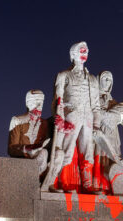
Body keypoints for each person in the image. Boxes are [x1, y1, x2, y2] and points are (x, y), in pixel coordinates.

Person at [41, 42, 102, 193]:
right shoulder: (64, 75)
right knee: (66, 151)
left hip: (88, 118)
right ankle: (61, 182)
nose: (84, 53)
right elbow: (57, 100)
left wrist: (96, 123)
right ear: (73, 54)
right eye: (81, 50)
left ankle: (87, 185)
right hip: (71, 117)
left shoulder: (93, 79)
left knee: (88, 151)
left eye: (86, 51)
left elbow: (96, 105)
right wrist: (60, 118)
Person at [94, 71, 123, 195]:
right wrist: (106, 115)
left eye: (110, 80)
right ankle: (99, 185)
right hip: (99, 132)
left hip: (113, 135)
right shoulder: (93, 98)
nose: (107, 82)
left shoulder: (113, 101)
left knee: (113, 158)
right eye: (105, 79)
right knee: (100, 159)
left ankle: (114, 185)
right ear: (99, 80)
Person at [7, 89, 51, 178]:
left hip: (39, 159)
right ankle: (32, 179)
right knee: (43, 153)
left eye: (41, 102)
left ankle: (39, 179)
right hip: (22, 159)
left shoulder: (45, 123)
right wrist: (27, 148)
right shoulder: (18, 120)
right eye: (36, 101)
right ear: (27, 103)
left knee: (46, 152)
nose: (39, 105)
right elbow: (11, 149)